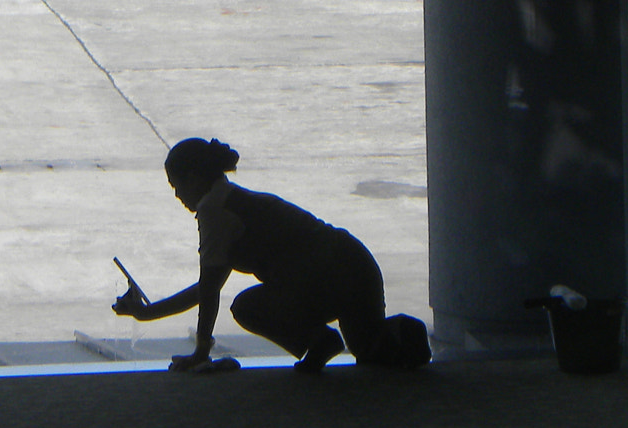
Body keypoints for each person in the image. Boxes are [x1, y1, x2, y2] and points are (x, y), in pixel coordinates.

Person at [112, 138, 432, 375]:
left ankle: (320, 341)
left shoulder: (215, 211)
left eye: (176, 186)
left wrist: (199, 351)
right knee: (376, 357)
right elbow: (206, 288)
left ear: (193, 179)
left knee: (248, 307)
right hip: (353, 263)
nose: (177, 196)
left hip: (331, 274)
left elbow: (207, 291)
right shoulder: (230, 200)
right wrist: (148, 313)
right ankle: (342, 342)